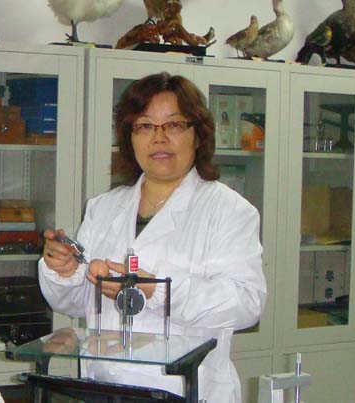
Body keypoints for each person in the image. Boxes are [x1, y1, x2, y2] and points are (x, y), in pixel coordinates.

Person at [38, 72, 266, 402]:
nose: (159, 138)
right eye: (145, 126)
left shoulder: (228, 210)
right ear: (129, 137)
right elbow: (75, 303)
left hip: (185, 389)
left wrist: (157, 291)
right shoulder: (103, 208)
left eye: (174, 125)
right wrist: (65, 270)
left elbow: (248, 303)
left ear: (198, 135)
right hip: (104, 386)